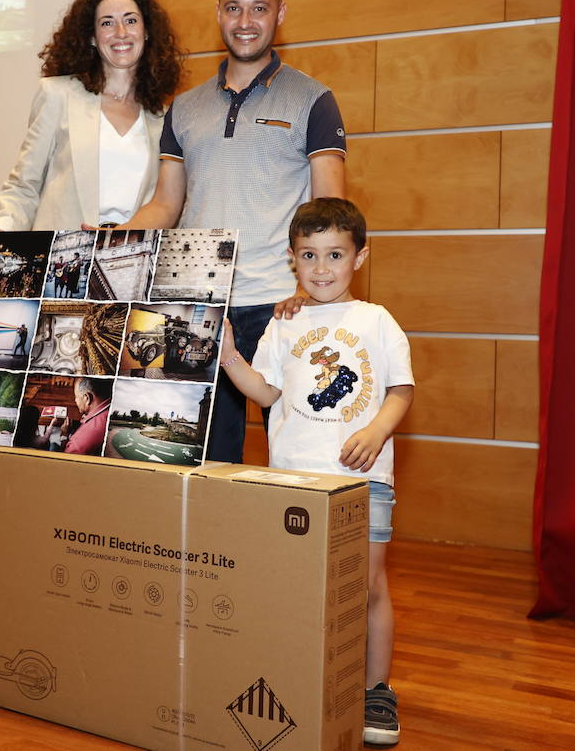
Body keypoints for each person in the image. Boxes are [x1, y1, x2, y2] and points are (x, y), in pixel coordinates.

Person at [115, 0, 347, 463]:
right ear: (218, 14)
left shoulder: (315, 100)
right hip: (199, 304)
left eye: (259, 8)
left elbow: (329, 210)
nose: (246, 21)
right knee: (200, 458)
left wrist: (309, 289)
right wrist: (112, 234)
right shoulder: (185, 107)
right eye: (234, 8)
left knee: (298, 454)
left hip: (280, 305)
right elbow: (164, 204)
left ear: (280, 13)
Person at [217, 198, 413, 747]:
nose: (322, 268)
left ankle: (377, 690)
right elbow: (266, 390)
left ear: (360, 258)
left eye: (334, 255)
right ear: (291, 260)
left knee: (368, 587)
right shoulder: (285, 324)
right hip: (294, 482)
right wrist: (231, 356)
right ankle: (299, 676)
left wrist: (376, 432)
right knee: (297, 587)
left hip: (363, 479)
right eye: (309, 255)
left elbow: (401, 391)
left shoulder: (377, 321)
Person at [0, 0, 184, 250]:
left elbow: (165, 204)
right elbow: (23, 186)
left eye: (131, 20)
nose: (121, 32)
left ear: (147, 31)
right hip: (60, 267)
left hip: (128, 267)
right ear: (92, 37)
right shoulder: (57, 95)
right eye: (107, 23)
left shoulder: (163, 117)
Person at [64, 377, 113, 456]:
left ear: (87, 398)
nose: (75, 400)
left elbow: (65, 462)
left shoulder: (79, 441)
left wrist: (64, 435)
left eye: (76, 396)